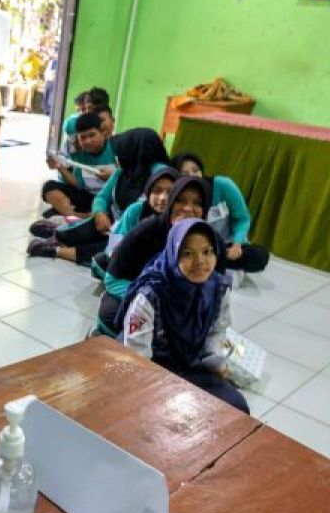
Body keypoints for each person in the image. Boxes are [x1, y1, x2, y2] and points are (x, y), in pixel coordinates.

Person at [118, 219, 248, 414]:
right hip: (155, 370)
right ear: (173, 254)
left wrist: (214, 360)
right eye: (187, 254)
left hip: (191, 366)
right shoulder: (151, 294)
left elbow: (217, 331)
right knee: (167, 416)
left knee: (236, 407)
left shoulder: (218, 288)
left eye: (207, 252)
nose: (200, 262)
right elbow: (138, 357)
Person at [29, 128, 169, 265]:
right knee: (86, 231)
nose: (118, 156)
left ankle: (56, 251)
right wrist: (99, 213)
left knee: (107, 251)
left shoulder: (161, 175)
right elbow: (102, 196)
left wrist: (119, 231)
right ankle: (59, 235)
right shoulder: (126, 171)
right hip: (112, 224)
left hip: (137, 235)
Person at [95, 165, 179, 332]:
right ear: (148, 193)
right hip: (127, 272)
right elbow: (115, 245)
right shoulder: (137, 211)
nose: (162, 198)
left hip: (153, 278)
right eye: (157, 191)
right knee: (100, 260)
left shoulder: (180, 222)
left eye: (170, 192)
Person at [170, 152, 269, 273]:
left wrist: (237, 243)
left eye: (196, 171)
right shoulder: (174, 196)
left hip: (224, 246)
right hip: (191, 248)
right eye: (184, 174)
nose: (192, 176)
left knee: (259, 256)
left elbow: (242, 218)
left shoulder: (223, 185)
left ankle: (211, 263)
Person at [41, 111, 117, 218]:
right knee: (48, 187)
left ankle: (71, 215)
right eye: (83, 137)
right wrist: (59, 167)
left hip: (109, 200)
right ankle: (79, 216)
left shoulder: (116, 148)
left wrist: (112, 178)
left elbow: (129, 182)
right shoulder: (79, 153)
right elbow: (78, 184)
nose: (88, 141)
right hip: (88, 198)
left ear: (102, 132)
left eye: (92, 135)